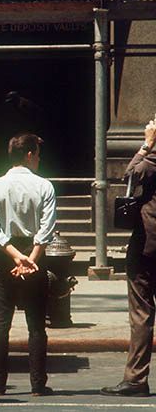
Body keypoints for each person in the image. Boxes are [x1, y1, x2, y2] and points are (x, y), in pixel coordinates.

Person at [0, 133, 56, 397]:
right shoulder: (45, 186)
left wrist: (14, 256)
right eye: (37, 154)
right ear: (28, 155)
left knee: (1, 322)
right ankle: (37, 384)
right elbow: (46, 228)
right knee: (36, 324)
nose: (38, 159)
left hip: (5, 256)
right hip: (34, 254)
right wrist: (30, 259)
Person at [101, 115, 156, 398]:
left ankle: (135, 379)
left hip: (149, 245)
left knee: (142, 312)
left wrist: (146, 145)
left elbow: (129, 175)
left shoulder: (151, 158)